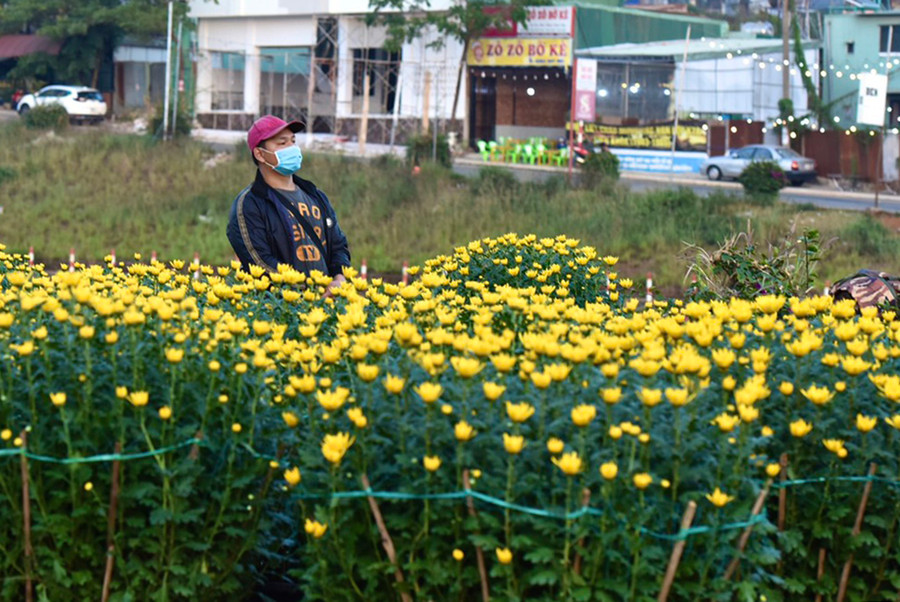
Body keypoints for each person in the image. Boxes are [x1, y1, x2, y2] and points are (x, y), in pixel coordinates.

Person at [227, 115, 350, 293]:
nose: (291, 148)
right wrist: (304, 290)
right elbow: (259, 260)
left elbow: (338, 245)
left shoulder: (316, 196)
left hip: (326, 304)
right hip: (280, 306)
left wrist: (338, 278)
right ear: (260, 154)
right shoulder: (250, 203)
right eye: (282, 143)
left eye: (293, 141)